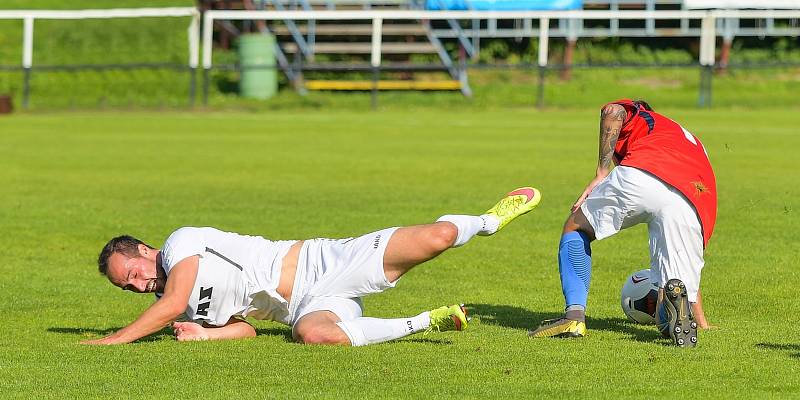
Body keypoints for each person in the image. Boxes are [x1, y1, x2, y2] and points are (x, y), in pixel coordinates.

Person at [81, 187, 541, 346]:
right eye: (129, 288)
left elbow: (176, 298)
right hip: (306, 307)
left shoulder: (180, 244)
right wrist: (206, 332)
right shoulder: (173, 307)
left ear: (144, 249)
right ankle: (428, 322)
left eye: (133, 273)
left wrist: (115, 338)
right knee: (315, 336)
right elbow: (246, 329)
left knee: (438, 237)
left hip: (323, 263)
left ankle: (487, 221)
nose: (140, 286)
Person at [528, 99, 716, 348]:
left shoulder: (642, 116)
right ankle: (677, 315)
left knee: (576, 227)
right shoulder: (687, 139)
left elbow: (612, 111)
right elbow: (690, 273)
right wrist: (702, 322)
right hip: (694, 198)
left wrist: (601, 172)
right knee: (673, 289)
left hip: (646, 171)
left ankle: (574, 317)